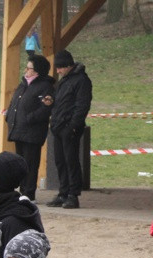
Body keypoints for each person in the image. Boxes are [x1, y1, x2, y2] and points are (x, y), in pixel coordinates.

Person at [44, 49, 92, 209]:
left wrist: (73, 126)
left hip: (69, 128)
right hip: (58, 126)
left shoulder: (82, 81)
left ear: (68, 65)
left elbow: (82, 106)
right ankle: (63, 192)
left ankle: (73, 194)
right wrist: (52, 100)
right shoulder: (64, 80)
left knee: (71, 161)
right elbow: (61, 101)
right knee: (60, 161)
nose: (57, 71)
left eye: (60, 67)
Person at [5, 55, 55, 201]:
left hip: (32, 132)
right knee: (20, 163)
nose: (26, 70)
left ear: (37, 71)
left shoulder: (46, 87)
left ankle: (29, 193)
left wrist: (30, 118)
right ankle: (21, 191)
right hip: (18, 130)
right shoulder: (23, 85)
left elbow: (46, 108)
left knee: (30, 164)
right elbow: (15, 103)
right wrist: (9, 116)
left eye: (29, 68)